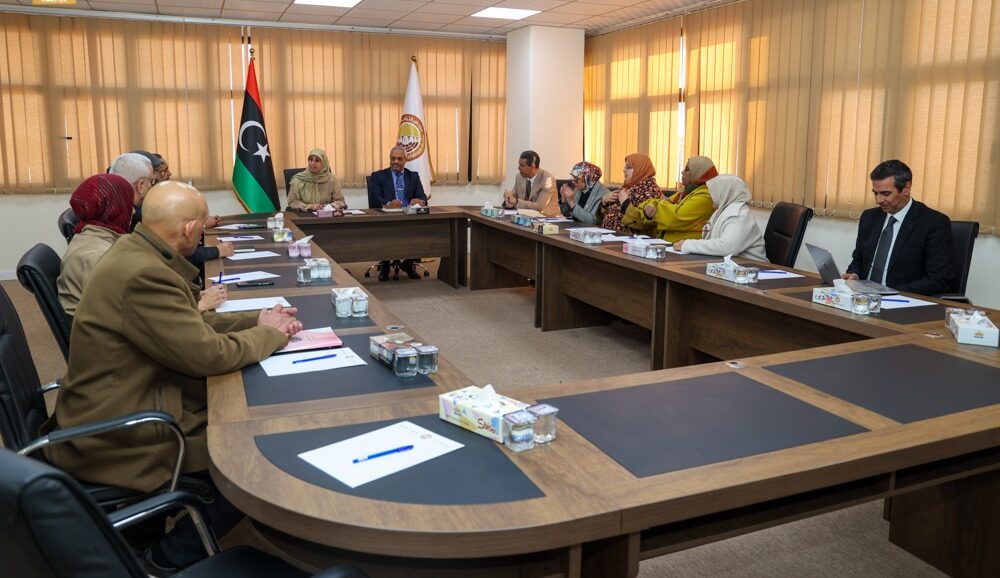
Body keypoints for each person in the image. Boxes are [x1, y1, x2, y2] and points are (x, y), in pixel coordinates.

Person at [42, 180, 302, 573]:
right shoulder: (145, 274)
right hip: (121, 431)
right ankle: (166, 559)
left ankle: (148, 531)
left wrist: (257, 320)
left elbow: (189, 325)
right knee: (248, 457)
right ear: (189, 229)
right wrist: (271, 336)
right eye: (202, 225)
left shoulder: (138, 251)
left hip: (128, 398)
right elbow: (208, 354)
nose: (204, 232)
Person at [843, 159, 954, 295]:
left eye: (886, 194)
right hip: (863, 297)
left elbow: (938, 279)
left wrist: (890, 292)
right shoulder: (869, 217)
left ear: (906, 188)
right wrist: (854, 274)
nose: (878, 200)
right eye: (875, 193)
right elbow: (858, 260)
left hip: (901, 298)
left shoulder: (933, 223)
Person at [56, 174, 134, 316]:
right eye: (129, 204)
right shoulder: (102, 256)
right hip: (98, 325)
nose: (133, 211)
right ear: (116, 209)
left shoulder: (89, 235)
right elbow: (126, 307)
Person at [367, 145, 428, 280]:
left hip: (408, 215)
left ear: (405, 160)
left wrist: (420, 201)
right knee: (387, 230)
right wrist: (388, 204)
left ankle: (408, 264)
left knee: (420, 228)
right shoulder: (379, 176)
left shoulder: (413, 176)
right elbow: (375, 198)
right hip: (388, 217)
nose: (395, 161)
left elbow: (422, 197)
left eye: (399, 159)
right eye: (393, 158)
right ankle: (385, 266)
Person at [623, 155, 716, 241]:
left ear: (699, 174)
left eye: (687, 169)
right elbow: (661, 203)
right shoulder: (684, 192)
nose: (682, 172)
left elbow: (675, 217)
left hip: (685, 247)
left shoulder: (706, 196)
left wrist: (654, 208)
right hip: (668, 243)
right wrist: (651, 206)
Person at [674, 174, 766, 260]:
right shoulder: (722, 210)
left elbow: (727, 247)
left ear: (724, 193)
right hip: (732, 266)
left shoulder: (740, 214)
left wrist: (687, 245)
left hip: (754, 268)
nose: (710, 196)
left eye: (712, 192)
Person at [600, 153, 663, 234]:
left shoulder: (650, 190)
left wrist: (625, 203)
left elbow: (643, 223)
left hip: (630, 239)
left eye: (629, 167)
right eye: (625, 167)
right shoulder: (627, 186)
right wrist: (604, 202)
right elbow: (604, 216)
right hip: (610, 236)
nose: (624, 170)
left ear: (640, 169)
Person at [502, 150, 558, 217]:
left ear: (532, 166)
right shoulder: (519, 177)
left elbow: (539, 207)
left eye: (522, 166)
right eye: (519, 164)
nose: (519, 168)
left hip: (548, 218)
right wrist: (508, 200)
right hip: (526, 217)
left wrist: (516, 202)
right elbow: (514, 197)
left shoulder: (547, 179)